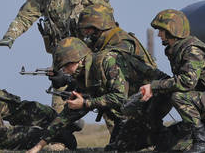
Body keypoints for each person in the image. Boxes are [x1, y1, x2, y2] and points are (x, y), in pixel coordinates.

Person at [0, 0, 112, 112]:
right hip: (64, 63)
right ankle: (62, 131)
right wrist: (10, 36)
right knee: (58, 113)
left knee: (108, 105)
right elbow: (24, 17)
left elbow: (106, 16)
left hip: (93, 58)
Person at [27, 37, 168, 153]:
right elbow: (67, 115)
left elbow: (120, 97)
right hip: (135, 107)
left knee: (155, 142)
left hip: (157, 97)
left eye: (66, 66)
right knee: (115, 149)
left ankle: (180, 137)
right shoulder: (84, 77)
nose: (65, 71)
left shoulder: (106, 61)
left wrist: (85, 103)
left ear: (78, 59)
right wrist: (38, 146)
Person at [140, 9, 205, 153]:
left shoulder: (192, 50)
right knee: (167, 145)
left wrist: (154, 86)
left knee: (178, 96)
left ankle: (202, 143)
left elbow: (186, 82)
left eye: (161, 30)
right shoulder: (176, 49)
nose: (158, 34)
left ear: (172, 30)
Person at [76, 4, 170, 136]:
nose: (85, 33)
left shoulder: (120, 42)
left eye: (87, 29)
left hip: (146, 98)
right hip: (131, 98)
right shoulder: (101, 41)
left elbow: (110, 76)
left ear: (99, 27)